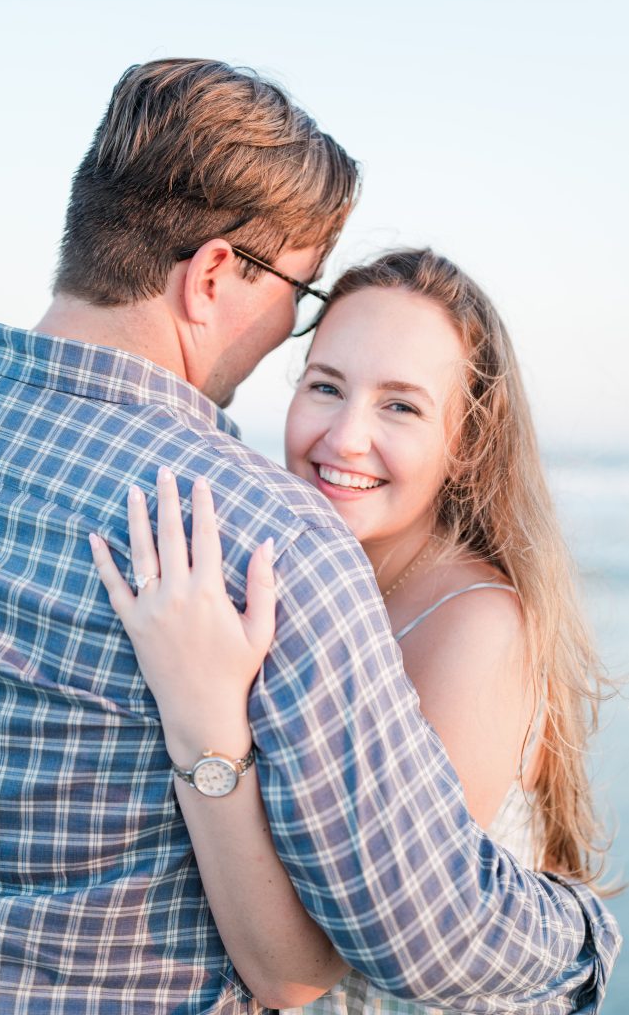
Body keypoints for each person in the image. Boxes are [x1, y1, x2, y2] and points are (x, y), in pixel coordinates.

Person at [0, 54, 619, 1012]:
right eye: (306, 326)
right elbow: (413, 933)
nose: (344, 433)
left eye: (401, 405)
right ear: (215, 274)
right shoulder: (265, 541)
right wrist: (582, 928)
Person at [88, 250, 622, 1011]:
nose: (342, 438)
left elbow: (297, 973)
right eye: (326, 387)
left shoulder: (477, 628)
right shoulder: (304, 579)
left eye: (399, 406)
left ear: (466, 441)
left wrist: (201, 721)